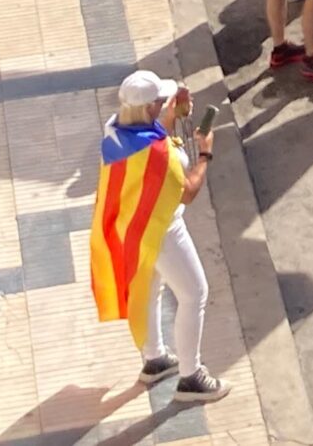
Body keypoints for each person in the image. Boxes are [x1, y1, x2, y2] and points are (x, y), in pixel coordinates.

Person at [98, 69, 227, 402]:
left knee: (151, 289)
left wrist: (169, 115)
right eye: (160, 102)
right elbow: (187, 191)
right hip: (163, 228)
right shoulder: (162, 156)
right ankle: (191, 377)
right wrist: (205, 153)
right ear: (147, 110)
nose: (164, 104)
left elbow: (151, 144)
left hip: (132, 227)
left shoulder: (114, 130)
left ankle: (154, 359)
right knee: (194, 293)